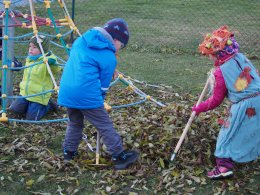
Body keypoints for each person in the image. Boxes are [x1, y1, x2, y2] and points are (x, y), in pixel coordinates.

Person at [58, 18, 139, 170]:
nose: (119, 49)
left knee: (75, 122)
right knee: (104, 125)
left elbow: (82, 63)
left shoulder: (81, 40)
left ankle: (69, 152)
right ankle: (119, 156)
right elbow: (103, 86)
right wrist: (99, 101)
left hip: (66, 91)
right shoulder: (109, 57)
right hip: (86, 94)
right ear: (115, 40)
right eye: (121, 45)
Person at [192, 26, 260, 179]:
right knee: (253, 129)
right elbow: (247, 78)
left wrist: (198, 108)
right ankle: (249, 153)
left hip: (245, 105)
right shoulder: (241, 58)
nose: (208, 57)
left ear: (217, 54)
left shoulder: (220, 72)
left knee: (227, 133)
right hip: (258, 99)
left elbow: (215, 101)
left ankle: (224, 167)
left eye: (210, 54)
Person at [9, 35, 60, 120]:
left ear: (43, 49)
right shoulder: (30, 59)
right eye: (30, 46)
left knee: (32, 118)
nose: (30, 49)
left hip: (38, 96)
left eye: (34, 47)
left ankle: (48, 105)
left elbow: (56, 70)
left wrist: (52, 64)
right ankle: (28, 105)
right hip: (25, 93)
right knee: (14, 110)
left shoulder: (47, 60)